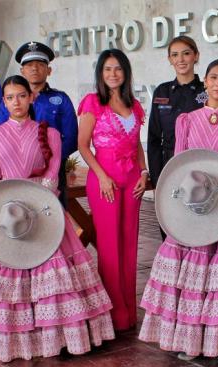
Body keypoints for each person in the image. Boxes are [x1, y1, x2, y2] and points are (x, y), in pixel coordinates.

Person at [0, 75, 115, 362]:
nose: (16, 102)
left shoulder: (50, 133)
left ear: (31, 98)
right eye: (9, 97)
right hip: (9, 214)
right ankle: (23, 339)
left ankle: (63, 335)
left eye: (21, 95)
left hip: (44, 210)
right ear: (3, 101)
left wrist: (34, 204)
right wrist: (10, 205)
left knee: (55, 270)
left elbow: (52, 173)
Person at [139, 59, 218, 362]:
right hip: (193, 204)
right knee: (192, 270)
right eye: (213, 77)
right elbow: (180, 164)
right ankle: (189, 338)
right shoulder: (187, 120)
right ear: (205, 81)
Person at [77, 49, 147, 331]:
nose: (113, 74)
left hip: (132, 179)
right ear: (100, 73)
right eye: (107, 69)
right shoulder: (93, 103)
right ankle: (112, 314)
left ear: (126, 72)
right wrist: (102, 176)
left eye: (118, 68)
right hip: (104, 178)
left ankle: (129, 312)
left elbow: (137, 144)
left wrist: (144, 172)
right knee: (108, 246)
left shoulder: (135, 105)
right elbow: (83, 145)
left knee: (129, 243)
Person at [0, 41, 77, 204]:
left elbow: (71, 137)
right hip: (16, 172)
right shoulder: (10, 100)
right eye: (29, 65)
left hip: (53, 172)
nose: (34, 68)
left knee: (54, 216)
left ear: (49, 70)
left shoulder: (60, 99)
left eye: (40, 64)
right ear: (22, 71)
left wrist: (49, 163)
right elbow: (1, 134)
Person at [147, 36, 206, 189]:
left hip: (202, 167)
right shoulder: (162, 91)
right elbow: (153, 139)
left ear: (196, 56)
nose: (180, 59)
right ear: (170, 59)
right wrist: (156, 179)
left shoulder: (207, 91)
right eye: (175, 55)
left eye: (186, 53)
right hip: (169, 167)